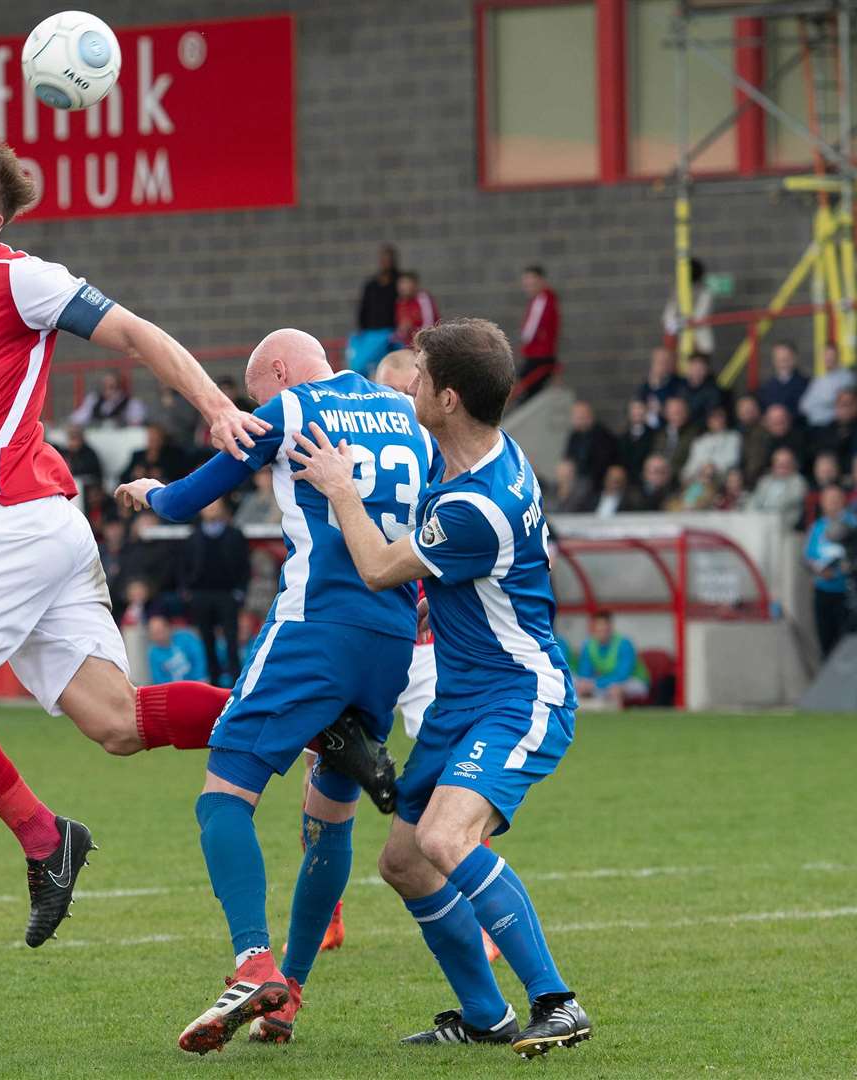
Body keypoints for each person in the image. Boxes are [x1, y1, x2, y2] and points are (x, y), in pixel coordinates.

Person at [0, 127, 271, 950]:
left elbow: (138, 333)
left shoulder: (20, 279)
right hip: (31, 531)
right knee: (117, 723)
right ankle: (300, 715)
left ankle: (45, 840)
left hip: (21, 519)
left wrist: (215, 406)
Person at [115, 328, 429, 1054]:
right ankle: (290, 993)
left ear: (281, 373)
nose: (256, 411)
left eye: (257, 396)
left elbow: (190, 499)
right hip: (390, 636)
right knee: (331, 816)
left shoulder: (292, 410)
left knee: (224, 792)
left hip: (315, 628)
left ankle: (253, 960)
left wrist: (145, 491)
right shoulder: (406, 413)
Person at [286, 317, 590, 1057]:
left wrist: (339, 488)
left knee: (444, 838)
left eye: (418, 375)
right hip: (463, 698)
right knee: (403, 862)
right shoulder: (465, 454)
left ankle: (559, 1001)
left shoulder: (475, 504)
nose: (407, 384)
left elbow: (378, 568)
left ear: (449, 398)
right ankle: (486, 1018)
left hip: (518, 694)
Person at [179, 498, 250, 688]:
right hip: (201, 596)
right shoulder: (193, 537)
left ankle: (237, 685)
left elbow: (244, 567)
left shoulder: (235, 535)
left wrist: (240, 593)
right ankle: (215, 687)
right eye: (208, 505)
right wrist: (189, 592)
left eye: (216, 505)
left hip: (227, 595)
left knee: (232, 642)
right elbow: (184, 567)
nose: (211, 509)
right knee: (207, 643)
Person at [805, 486, 855, 658]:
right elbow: (808, 557)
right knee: (827, 643)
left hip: (848, 593)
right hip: (823, 592)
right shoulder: (817, 527)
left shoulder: (853, 523)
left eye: (836, 499)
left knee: (848, 645)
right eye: (829, 500)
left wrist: (847, 567)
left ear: (843, 501)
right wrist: (818, 569)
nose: (832, 503)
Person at [572, 610, 649, 709]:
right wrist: (585, 684)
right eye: (598, 629)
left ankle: (619, 719)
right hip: (604, 682)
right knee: (578, 686)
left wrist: (595, 684)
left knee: (615, 689)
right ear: (593, 628)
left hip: (634, 681)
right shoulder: (588, 645)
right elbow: (584, 672)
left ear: (610, 627)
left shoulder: (624, 643)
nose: (602, 632)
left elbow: (622, 675)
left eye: (605, 628)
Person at [348, 244, 400, 374]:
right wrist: (362, 327)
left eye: (388, 259)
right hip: (372, 332)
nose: (385, 263)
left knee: (391, 365)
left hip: (391, 333)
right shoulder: (371, 284)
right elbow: (363, 307)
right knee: (361, 365)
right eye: (383, 259)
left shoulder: (399, 282)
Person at [517, 264, 559, 399]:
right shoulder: (540, 299)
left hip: (539, 356)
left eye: (532, 283)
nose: (528, 287)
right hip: (539, 354)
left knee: (525, 390)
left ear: (541, 281)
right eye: (526, 284)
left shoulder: (542, 299)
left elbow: (528, 333)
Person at [796, 343, 856, 429]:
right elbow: (804, 405)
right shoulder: (819, 379)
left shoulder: (847, 377)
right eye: (825, 355)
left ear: (838, 356)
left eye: (831, 355)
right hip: (814, 426)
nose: (828, 358)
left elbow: (833, 401)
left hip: (834, 427)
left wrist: (818, 405)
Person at [662, 257, 714, 355]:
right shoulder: (677, 292)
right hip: (680, 346)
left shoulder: (705, 292)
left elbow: (698, 318)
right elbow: (668, 320)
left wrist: (680, 323)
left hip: (701, 344)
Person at [747, 447, 808, 529]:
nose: (782, 465)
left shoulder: (798, 481)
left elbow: (789, 502)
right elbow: (755, 499)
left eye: (786, 462)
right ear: (773, 464)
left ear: (793, 464)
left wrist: (768, 514)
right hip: (761, 522)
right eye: (779, 462)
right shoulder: (765, 480)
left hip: (785, 524)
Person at [562, 401, 617, 490]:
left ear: (588, 417)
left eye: (578, 417)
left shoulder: (601, 434)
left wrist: (578, 470)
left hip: (594, 477)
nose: (574, 420)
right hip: (578, 475)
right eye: (574, 416)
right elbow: (568, 457)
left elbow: (601, 462)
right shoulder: (574, 435)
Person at [681, 404, 741, 480]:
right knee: (691, 487)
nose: (718, 420)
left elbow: (733, 460)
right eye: (714, 417)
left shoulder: (734, 437)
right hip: (700, 479)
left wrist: (712, 466)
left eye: (720, 416)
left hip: (723, 478)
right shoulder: (700, 441)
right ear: (708, 421)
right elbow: (691, 465)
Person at [68, 370, 147, 427]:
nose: (108, 391)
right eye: (105, 387)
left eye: (112, 387)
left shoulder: (131, 403)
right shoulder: (94, 400)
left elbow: (136, 423)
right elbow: (79, 417)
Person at [146, 614, 209, 684]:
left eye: (160, 631)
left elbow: (199, 660)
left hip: (198, 683)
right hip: (176, 690)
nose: (159, 637)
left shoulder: (186, 638)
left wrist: (200, 680)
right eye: (154, 634)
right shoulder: (153, 654)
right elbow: (158, 679)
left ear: (168, 628)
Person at [635, 346, 685, 425]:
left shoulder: (679, 384)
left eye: (665, 362)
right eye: (658, 362)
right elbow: (638, 405)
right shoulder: (645, 385)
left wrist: (661, 410)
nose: (661, 366)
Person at [757, 341, 810, 416]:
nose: (783, 363)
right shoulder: (766, 388)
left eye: (787, 358)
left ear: (796, 358)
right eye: (779, 359)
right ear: (773, 360)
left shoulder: (808, 385)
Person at [393, 270, 440, 347]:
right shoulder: (399, 302)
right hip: (407, 343)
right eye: (401, 283)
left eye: (407, 283)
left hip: (427, 340)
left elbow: (429, 323)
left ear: (415, 285)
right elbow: (400, 329)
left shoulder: (423, 298)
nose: (403, 286)